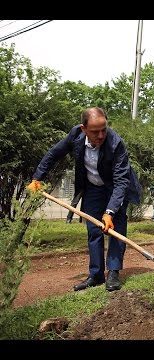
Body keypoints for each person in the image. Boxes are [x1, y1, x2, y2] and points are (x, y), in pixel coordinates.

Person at [27, 107, 141, 292]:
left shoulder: (116, 143)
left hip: (115, 188)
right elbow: (54, 153)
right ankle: (96, 275)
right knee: (93, 230)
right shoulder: (75, 135)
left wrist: (110, 212)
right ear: (83, 129)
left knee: (116, 228)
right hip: (92, 188)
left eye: (104, 129)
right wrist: (37, 178)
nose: (101, 135)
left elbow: (121, 181)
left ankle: (113, 273)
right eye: (96, 131)